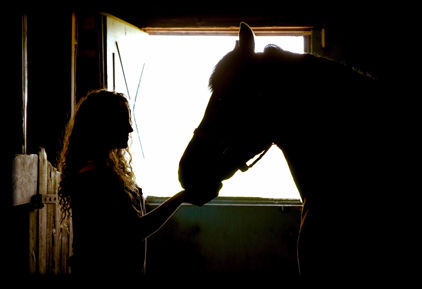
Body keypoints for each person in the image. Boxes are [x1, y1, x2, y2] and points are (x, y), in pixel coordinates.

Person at [57, 89, 215, 281]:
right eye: (123, 120)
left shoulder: (102, 172)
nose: (130, 129)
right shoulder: (96, 177)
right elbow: (135, 231)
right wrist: (181, 198)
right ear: (105, 124)